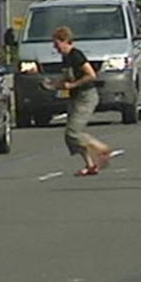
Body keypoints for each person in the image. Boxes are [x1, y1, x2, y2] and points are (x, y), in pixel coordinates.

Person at [51, 26, 113, 175]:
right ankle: (90, 165)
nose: (55, 47)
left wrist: (72, 85)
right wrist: (54, 85)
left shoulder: (76, 55)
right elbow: (67, 77)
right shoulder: (65, 58)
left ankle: (101, 148)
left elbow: (91, 75)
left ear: (65, 41)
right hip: (75, 97)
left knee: (73, 132)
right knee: (70, 137)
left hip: (87, 96)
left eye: (56, 43)